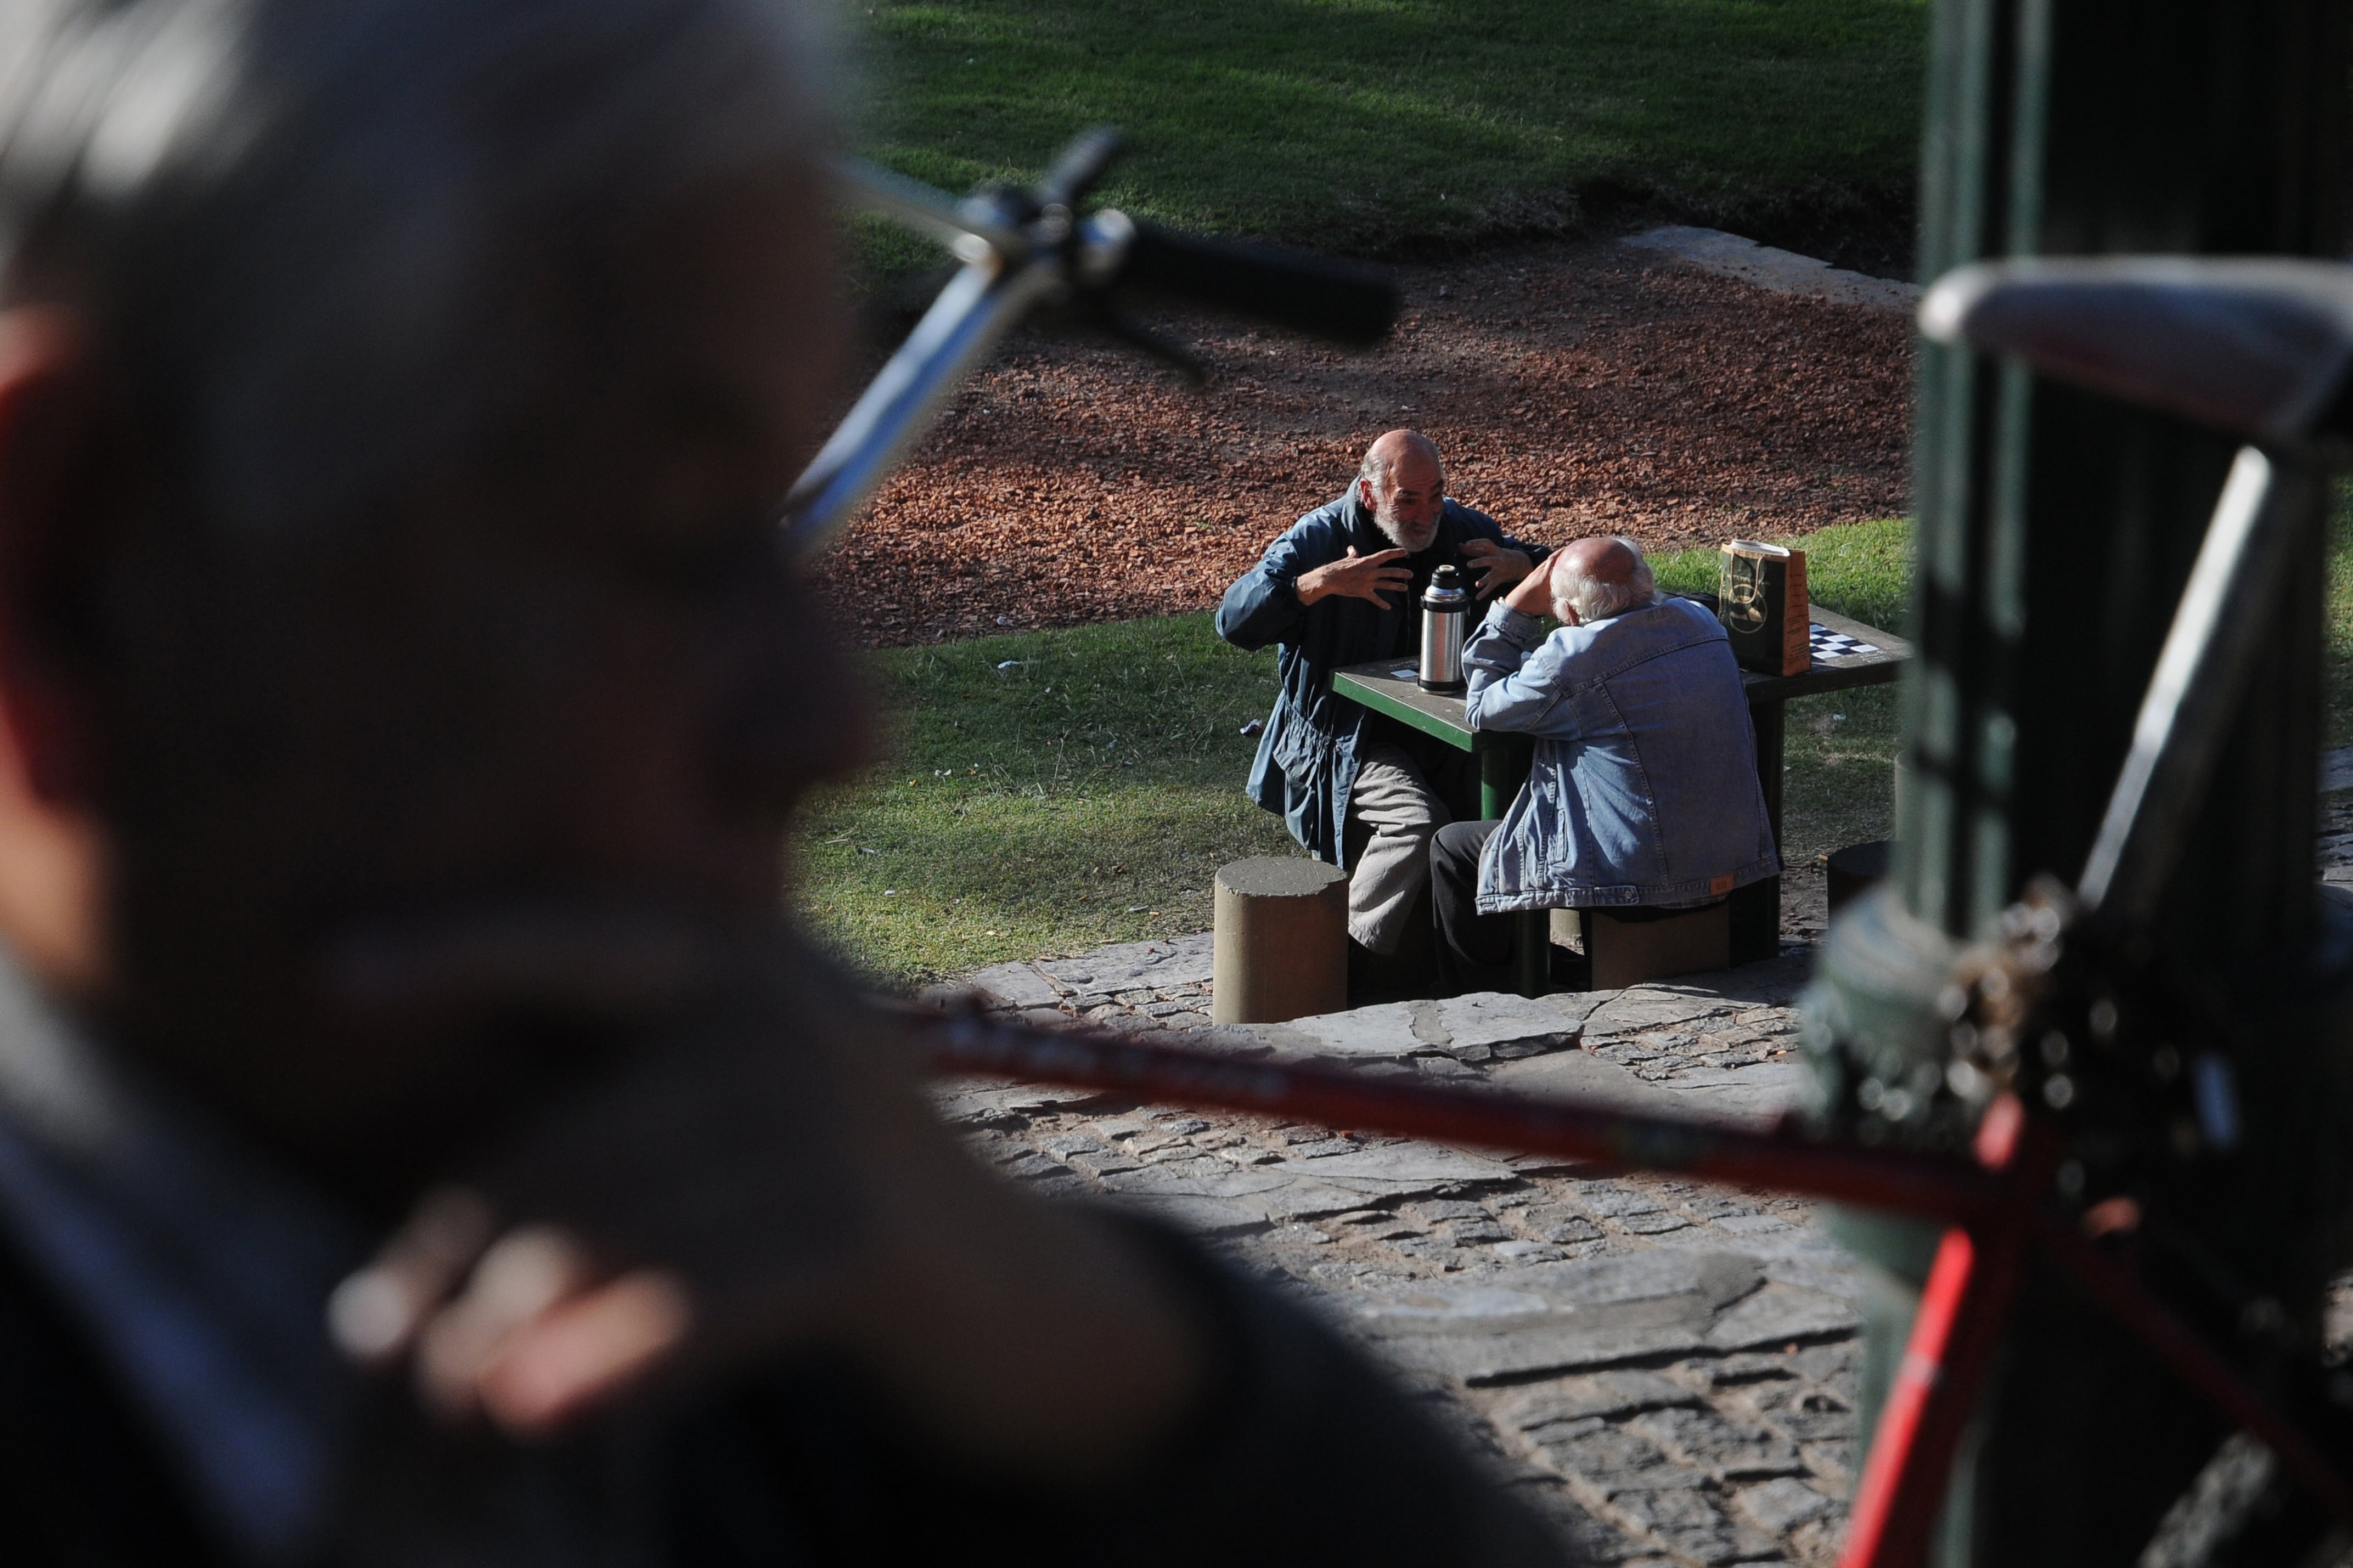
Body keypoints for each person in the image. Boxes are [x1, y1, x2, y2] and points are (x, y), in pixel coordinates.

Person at [0, 2, 1570, 1563]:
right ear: (71, 572)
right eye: (670, 538)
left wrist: (1131, 1375)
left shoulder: (771, 1274)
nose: (833, 728)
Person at [1217, 431, 1546, 967]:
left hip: (1443, 727)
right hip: (1342, 733)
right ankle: (1336, 961)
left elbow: (1586, 577)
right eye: (1408, 499)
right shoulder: (1321, 538)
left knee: (1532, 791)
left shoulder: (1464, 533)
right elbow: (1233, 620)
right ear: (1370, 495)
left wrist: (1525, 565)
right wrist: (1316, 585)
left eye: (1436, 493)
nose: (1427, 513)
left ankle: (1504, 961)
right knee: (1416, 820)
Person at [1427, 538, 1778, 990]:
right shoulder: (1701, 621)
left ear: (1570, 616)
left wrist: (1514, 608)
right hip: (1734, 860)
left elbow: (1481, 705)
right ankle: (1558, 967)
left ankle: (1491, 999)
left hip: (1638, 878)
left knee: (1453, 849)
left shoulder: (1571, 660)